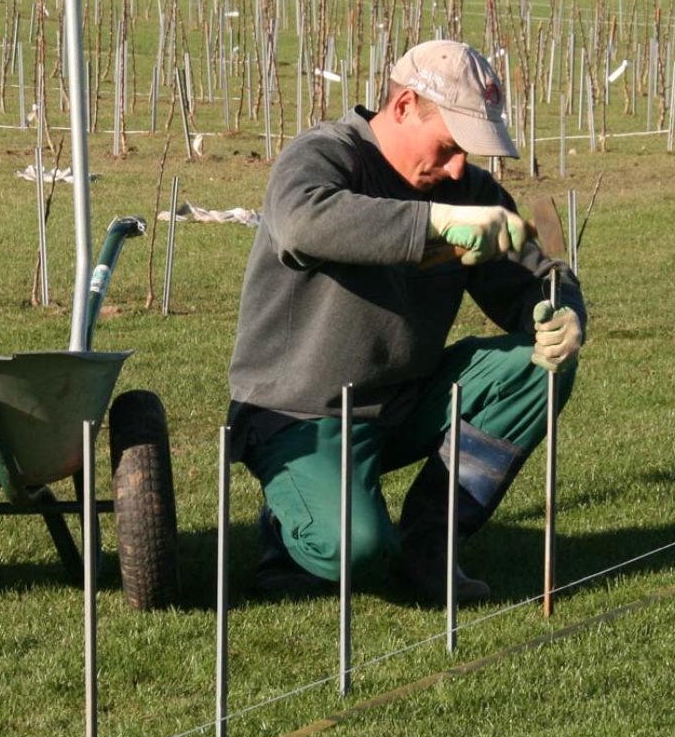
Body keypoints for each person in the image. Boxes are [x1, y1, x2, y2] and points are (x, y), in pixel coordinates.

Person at [226, 39, 585, 602]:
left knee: (537, 368)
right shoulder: (324, 155)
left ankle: (429, 547)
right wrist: (436, 225)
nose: (460, 166)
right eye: (450, 145)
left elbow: (537, 277)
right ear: (403, 107)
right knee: (355, 549)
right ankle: (287, 526)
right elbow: (300, 223)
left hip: (406, 403)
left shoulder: (465, 188)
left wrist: (562, 312)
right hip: (298, 415)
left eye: (471, 151)